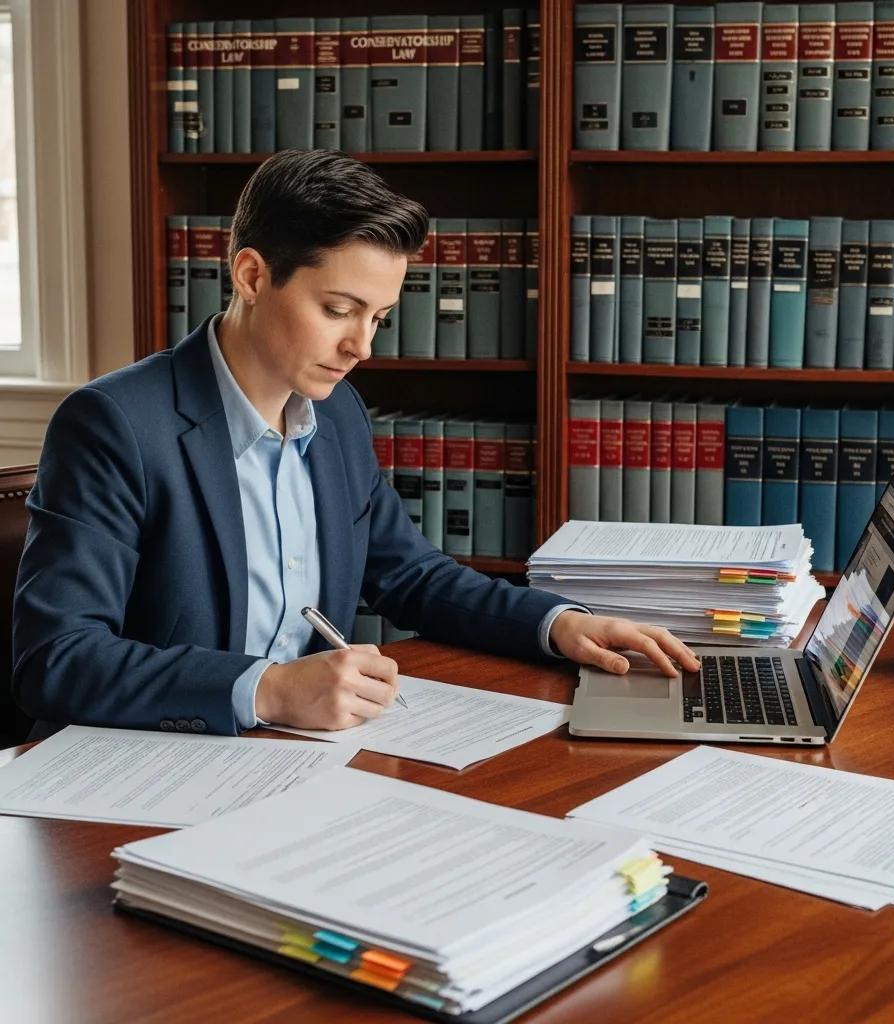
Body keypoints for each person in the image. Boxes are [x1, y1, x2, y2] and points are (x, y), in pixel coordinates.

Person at [13, 150, 698, 739]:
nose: (360, 345)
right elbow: (57, 658)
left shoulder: (334, 411)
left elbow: (410, 575)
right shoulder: (115, 424)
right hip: (137, 777)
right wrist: (269, 688)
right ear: (251, 276)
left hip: (298, 762)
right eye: (337, 310)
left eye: (378, 317)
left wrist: (556, 625)